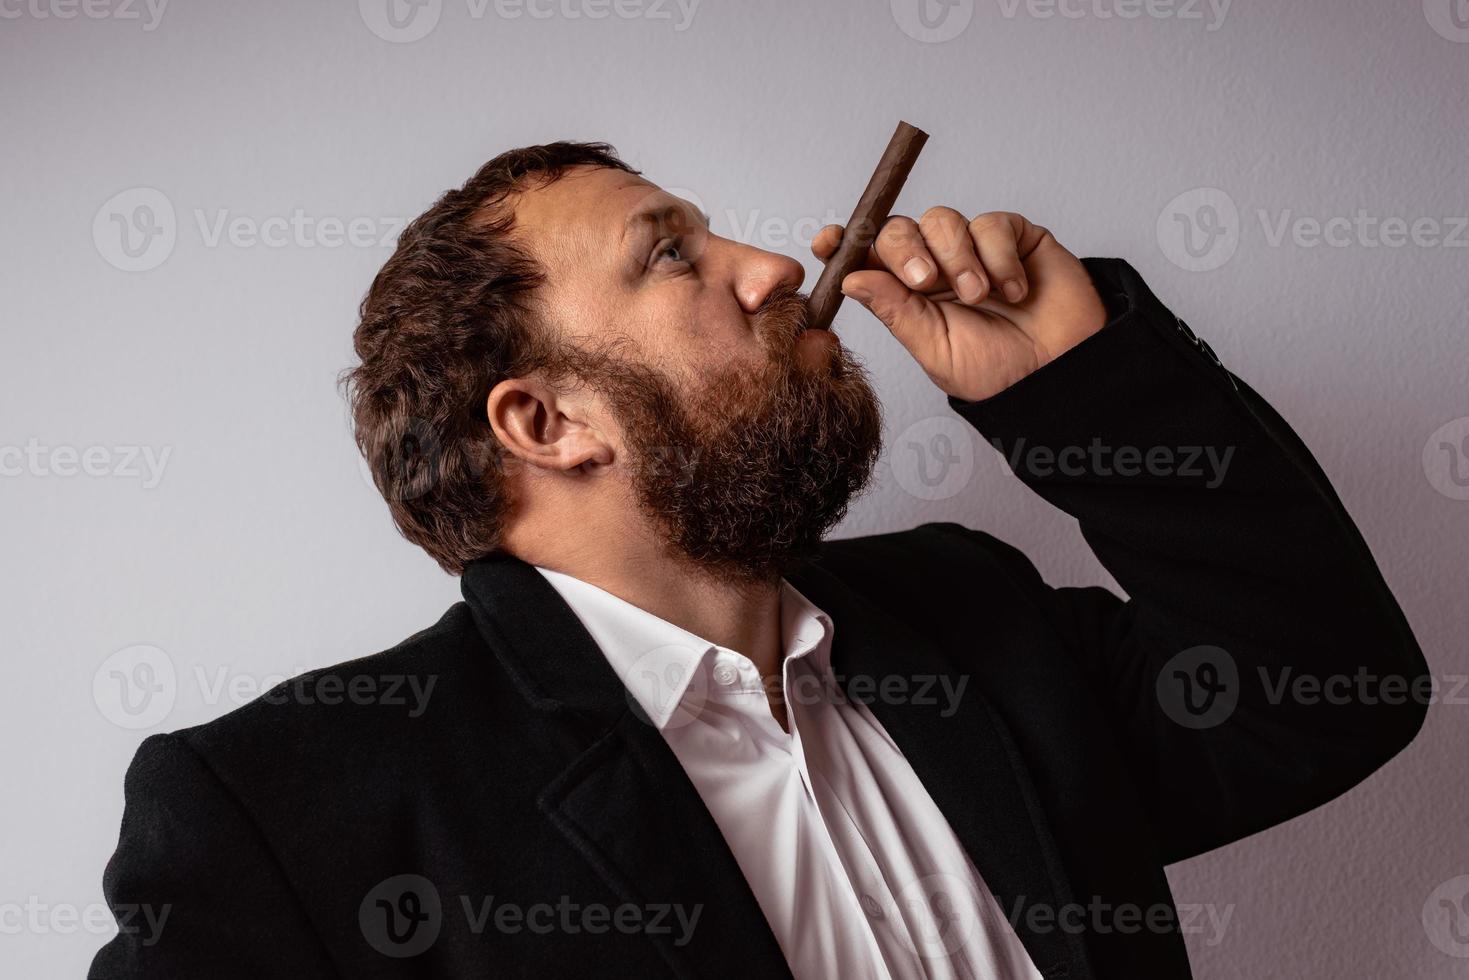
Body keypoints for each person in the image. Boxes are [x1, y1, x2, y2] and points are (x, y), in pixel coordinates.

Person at [92, 141, 1428, 979]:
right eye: (669, 252)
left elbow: (1318, 692)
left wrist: (1076, 390)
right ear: (544, 422)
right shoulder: (288, 807)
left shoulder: (969, 615)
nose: (771, 268)